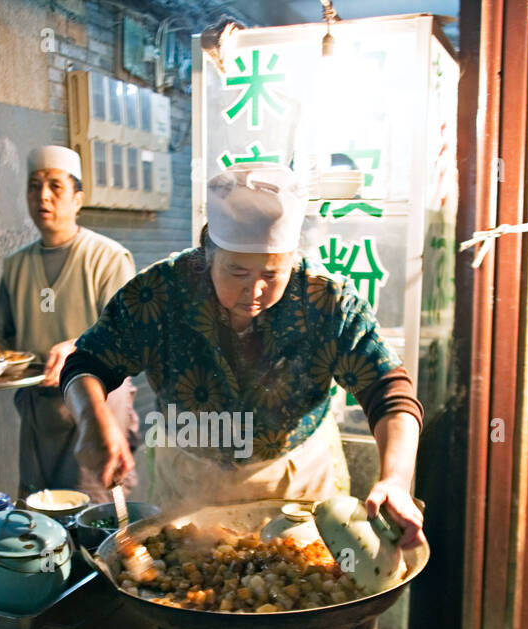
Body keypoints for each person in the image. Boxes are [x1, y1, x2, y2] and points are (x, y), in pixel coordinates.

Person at [61, 164, 425, 547]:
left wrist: (396, 480)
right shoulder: (161, 292)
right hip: (188, 477)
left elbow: (388, 390)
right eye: (236, 272)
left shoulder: (325, 300)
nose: (254, 290)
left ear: (293, 258)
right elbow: (87, 362)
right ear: (207, 255)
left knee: (300, 590)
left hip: (296, 479)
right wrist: (90, 417)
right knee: (183, 587)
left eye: (272, 274)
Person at [0, 145, 139, 500]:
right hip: (40, 408)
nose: (43, 196)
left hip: (97, 404)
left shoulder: (108, 258)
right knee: (42, 509)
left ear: (78, 199)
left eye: (55, 186)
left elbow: (125, 336)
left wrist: (78, 348)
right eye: (34, 186)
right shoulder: (17, 266)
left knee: (94, 509)